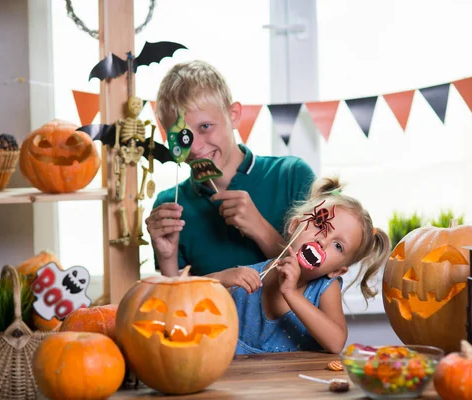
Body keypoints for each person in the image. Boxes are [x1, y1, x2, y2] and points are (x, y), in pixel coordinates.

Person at [145, 60, 316, 277]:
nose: (195, 148)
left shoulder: (292, 176)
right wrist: (167, 259)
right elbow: (179, 303)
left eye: (205, 127)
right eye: (182, 137)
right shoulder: (170, 205)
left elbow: (318, 281)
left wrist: (260, 229)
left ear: (233, 115)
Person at [210, 176, 390, 354]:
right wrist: (220, 278)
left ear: (337, 270)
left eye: (338, 246)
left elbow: (336, 343)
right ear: (294, 225)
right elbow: (185, 294)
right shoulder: (248, 275)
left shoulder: (325, 288)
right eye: (320, 224)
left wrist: (291, 293)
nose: (322, 240)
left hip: (296, 381)